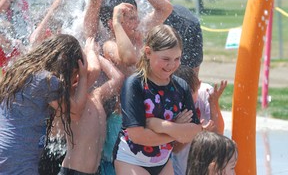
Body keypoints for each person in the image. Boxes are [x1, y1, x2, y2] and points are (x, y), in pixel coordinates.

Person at [114, 24, 214, 175]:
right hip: (130, 159)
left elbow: (193, 132)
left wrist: (162, 125)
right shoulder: (135, 84)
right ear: (148, 52)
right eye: (166, 58)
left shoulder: (181, 87)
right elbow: (138, 136)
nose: (172, 65)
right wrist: (176, 131)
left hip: (163, 162)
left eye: (177, 58)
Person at [0, 34, 99, 174]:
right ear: (65, 61)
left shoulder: (22, 69)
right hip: (19, 155)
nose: (73, 77)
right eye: (73, 71)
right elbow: (75, 112)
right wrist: (83, 75)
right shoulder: (47, 81)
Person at [59, 53, 124, 175]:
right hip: (72, 171)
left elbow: (118, 78)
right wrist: (90, 52)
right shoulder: (71, 100)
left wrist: (98, 55)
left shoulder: (96, 95)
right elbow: (94, 70)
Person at [98, 0, 173, 74]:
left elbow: (166, 9)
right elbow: (129, 59)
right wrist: (117, 23)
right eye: (132, 18)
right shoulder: (109, 45)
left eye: (137, 17)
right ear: (112, 23)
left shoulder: (138, 31)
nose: (138, 22)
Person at [171, 65, 227, 175]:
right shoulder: (170, 101)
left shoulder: (206, 93)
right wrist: (197, 132)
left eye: (190, 92)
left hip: (204, 166)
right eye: (182, 94)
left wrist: (213, 104)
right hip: (179, 168)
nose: (185, 98)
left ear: (199, 84)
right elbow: (175, 148)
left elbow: (218, 133)